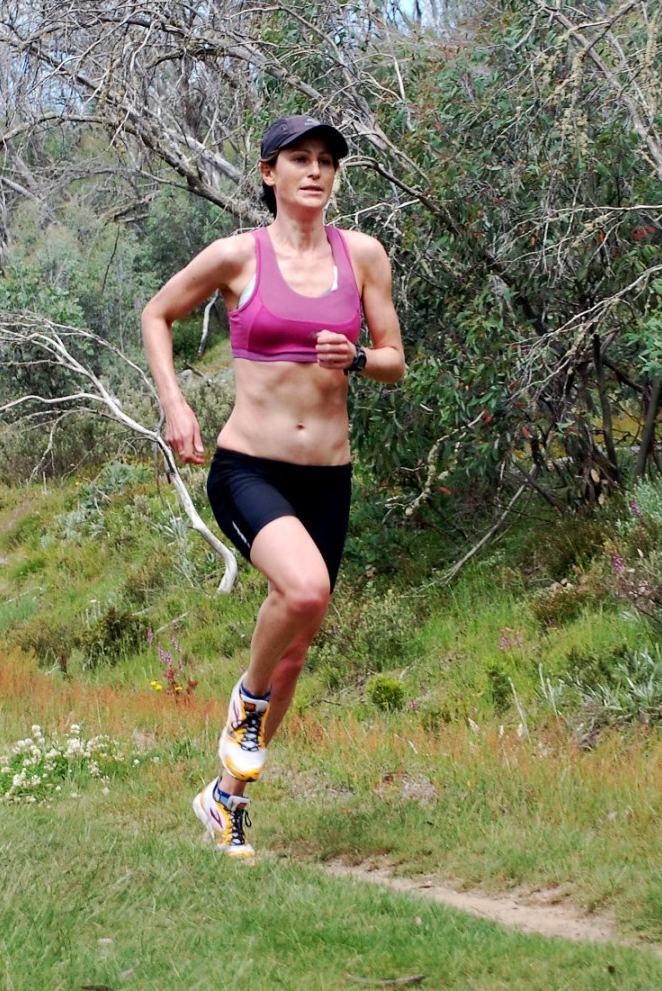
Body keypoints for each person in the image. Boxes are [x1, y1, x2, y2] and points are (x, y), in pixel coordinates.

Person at [141, 114, 405, 858]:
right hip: (248, 467)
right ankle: (247, 708)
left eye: (326, 161)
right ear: (269, 173)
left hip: (329, 474)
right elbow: (156, 314)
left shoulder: (361, 256)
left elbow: (394, 360)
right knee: (306, 591)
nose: (315, 172)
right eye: (299, 159)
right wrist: (175, 404)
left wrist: (355, 357)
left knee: (295, 645)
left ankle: (225, 799)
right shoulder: (235, 256)